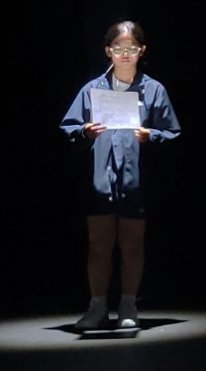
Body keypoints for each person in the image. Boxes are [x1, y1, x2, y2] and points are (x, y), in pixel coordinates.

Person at [59, 20, 182, 331]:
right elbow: (69, 128)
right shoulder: (92, 90)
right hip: (100, 181)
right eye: (118, 48)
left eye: (131, 48)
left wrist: (151, 135)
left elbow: (173, 133)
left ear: (142, 51)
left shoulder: (153, 90)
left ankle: (128, 304)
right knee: (99, 244)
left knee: (132, 243)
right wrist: (85, 131)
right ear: (108, 51)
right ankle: (97, 307)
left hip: (136, 181)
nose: (125, 54)